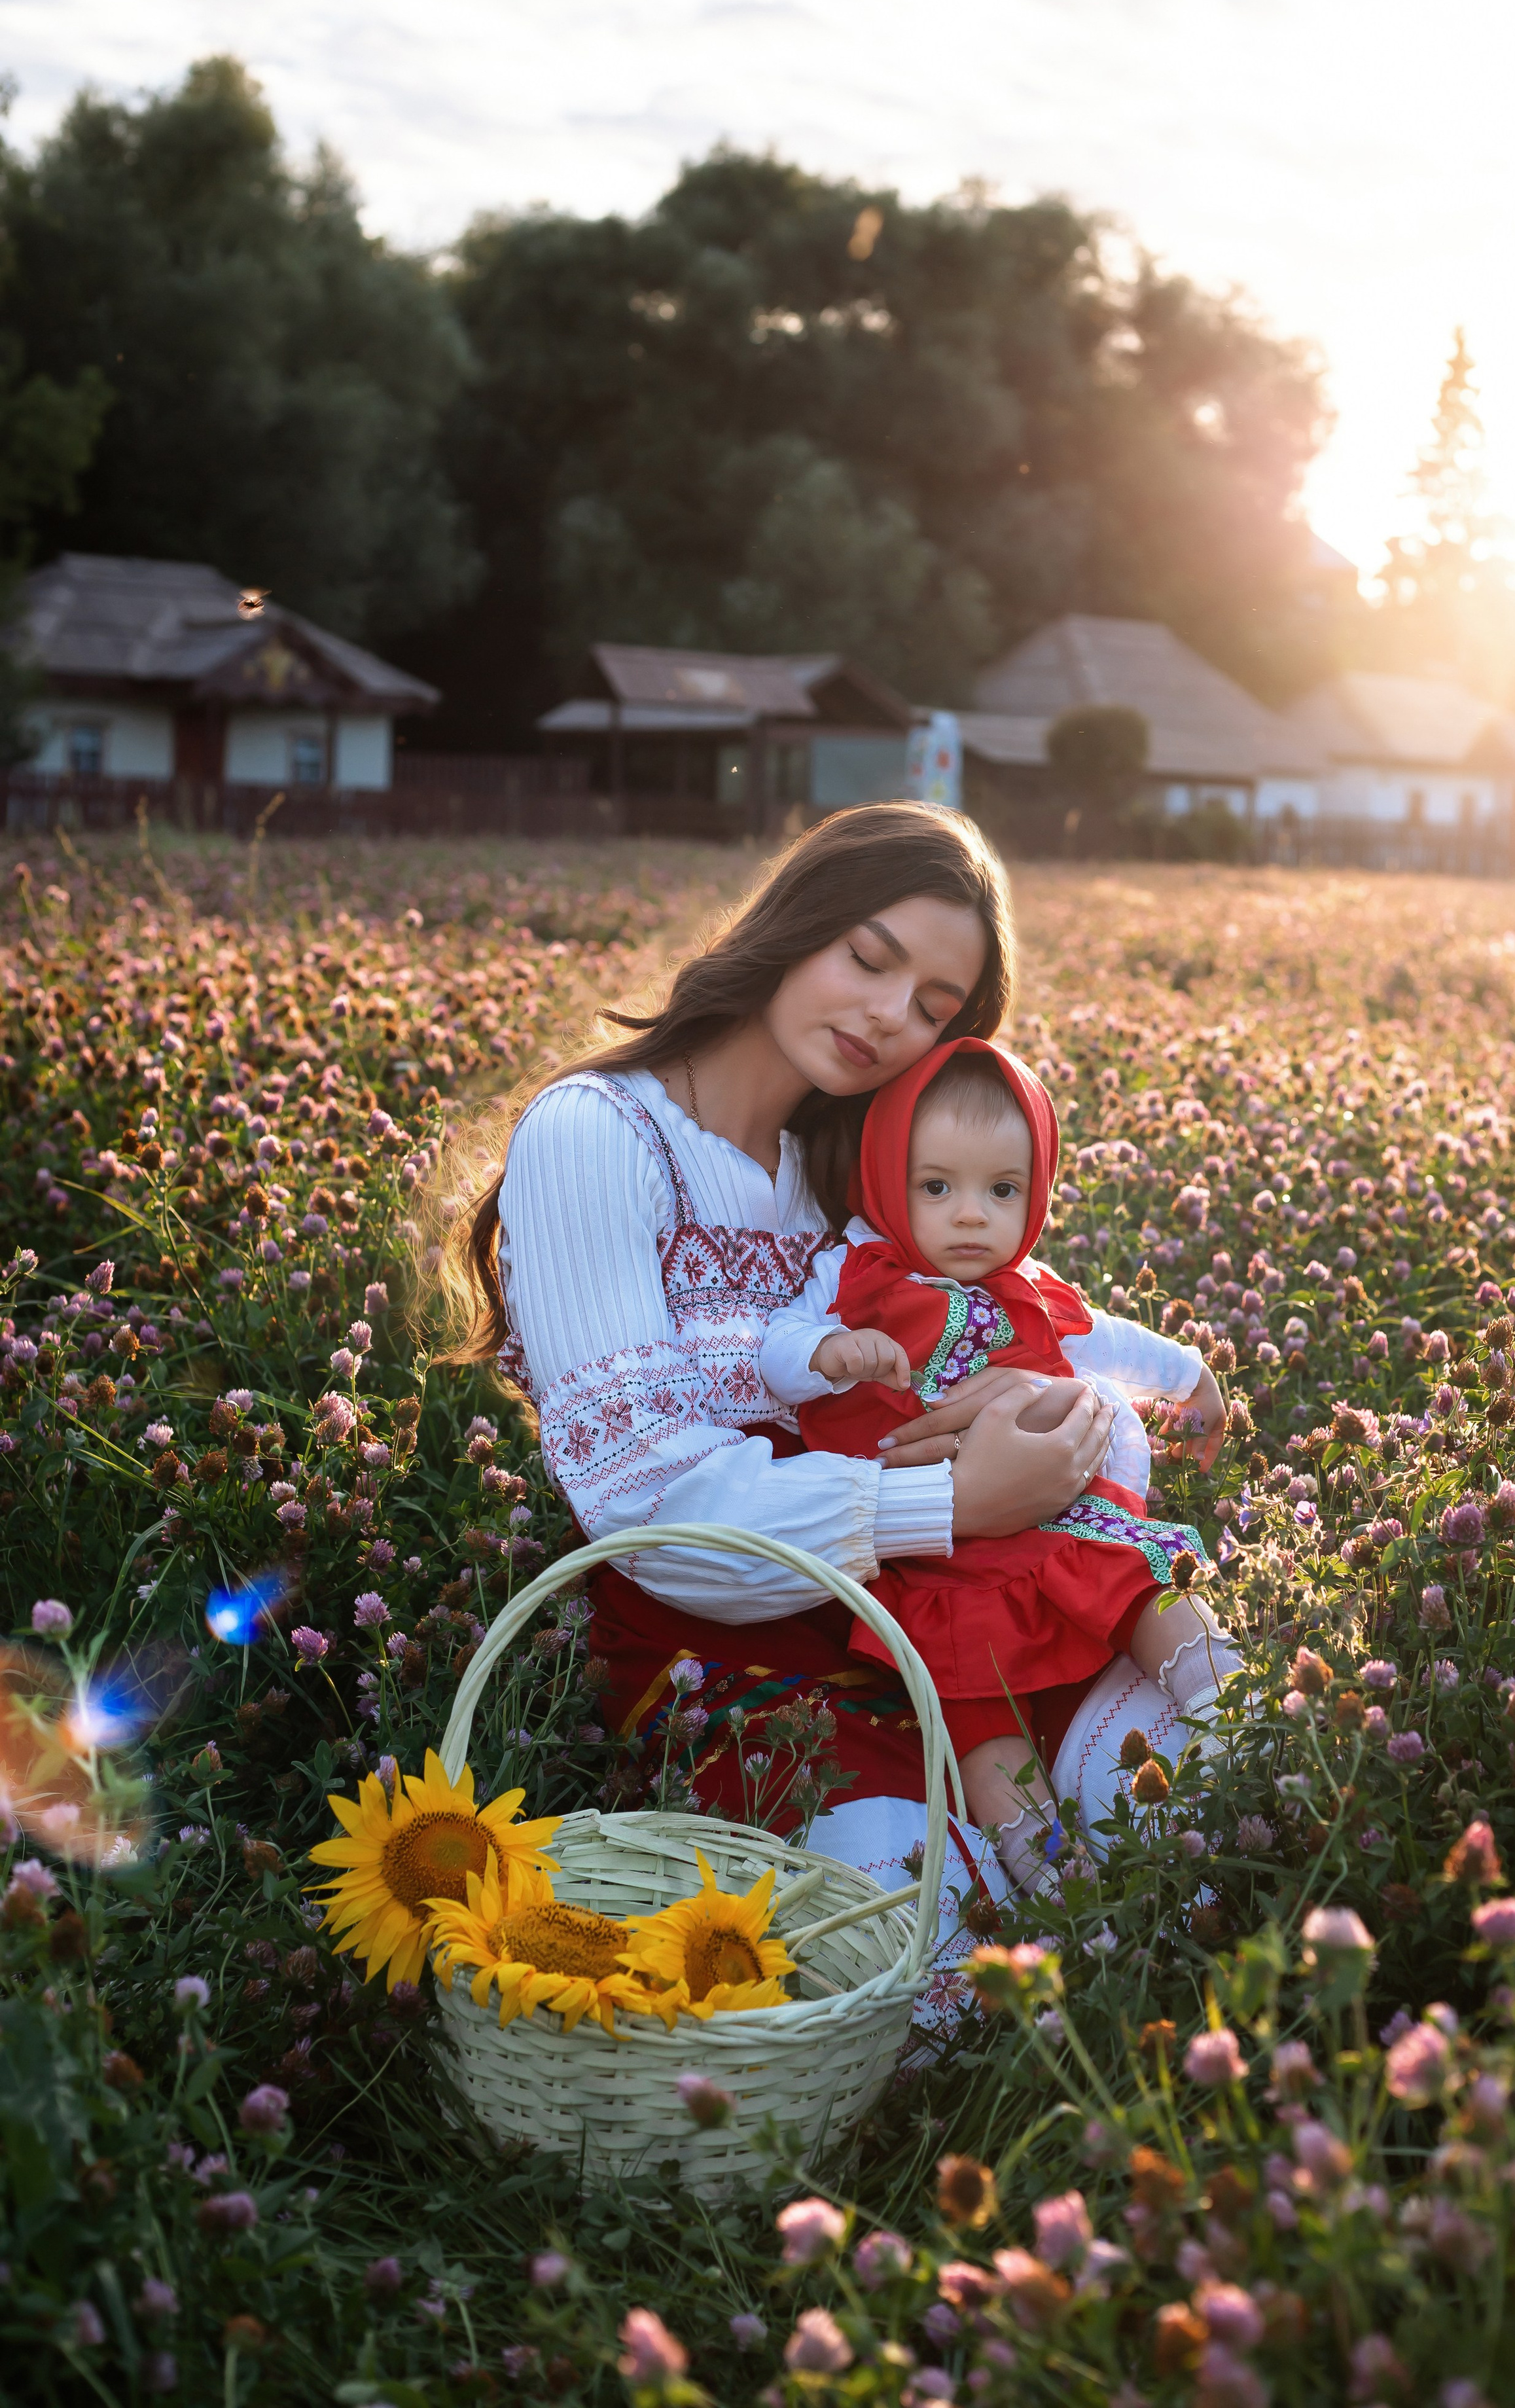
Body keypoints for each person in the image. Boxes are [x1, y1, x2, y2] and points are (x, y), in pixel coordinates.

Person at [438, 802, 1227, 1920]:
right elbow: (658, 1513)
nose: (885, 1016)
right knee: (936, 1938)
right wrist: (950, 1496)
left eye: (931, 1007)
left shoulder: (862, 1176)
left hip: (960, 1608)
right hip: (733, 1660)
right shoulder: (598, 1134)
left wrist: (1048, 1404)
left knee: (1219, 1780)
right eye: (868, 956)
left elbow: (1044, 1336)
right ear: (797, 919)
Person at [758, 1034, 1241, 1886]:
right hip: (931, 1546)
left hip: (1045, 1514)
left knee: (1137, 1574)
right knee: (972, 1708)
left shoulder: (1030, 1287)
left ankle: (1232, 1699)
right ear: (885, 1179)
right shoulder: (855, 1273)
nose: (972, 1213)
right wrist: (831, 1351)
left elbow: (1107, 1337)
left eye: (1002, 1189)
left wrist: (1192, 1376)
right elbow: (778, 1345)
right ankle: (1049, 1871)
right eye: (937, 1186)